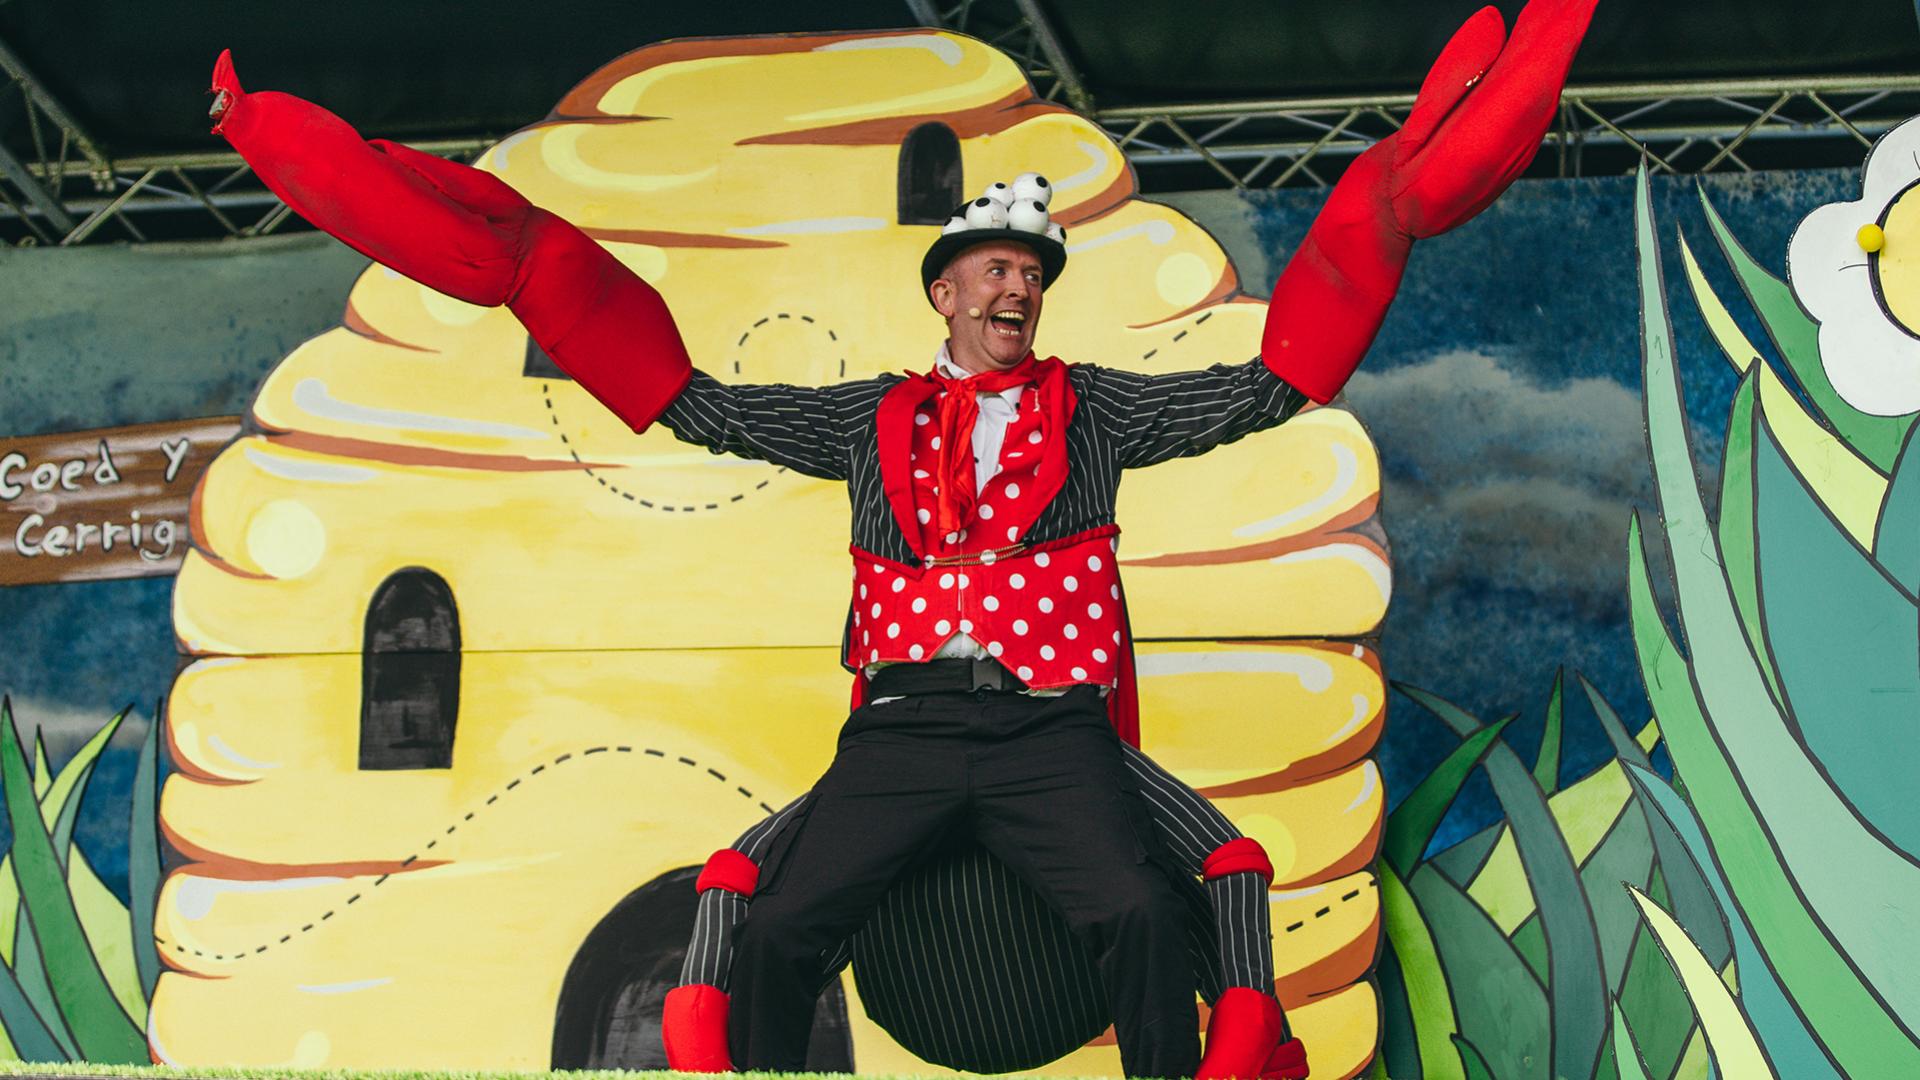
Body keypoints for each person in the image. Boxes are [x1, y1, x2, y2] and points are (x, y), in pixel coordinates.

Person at [205, 2, 1596, 1072]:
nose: (1015, 291)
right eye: (993, 270)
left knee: (1134, 913)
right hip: (906, 732)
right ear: (945, 290)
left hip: (1052, 729)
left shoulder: (1095, 412)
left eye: (1031, 277)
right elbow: (698, 409)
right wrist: (531, 273)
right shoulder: (868, 425)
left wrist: (1394, 201)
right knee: (783, 918)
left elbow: (1272, 387)